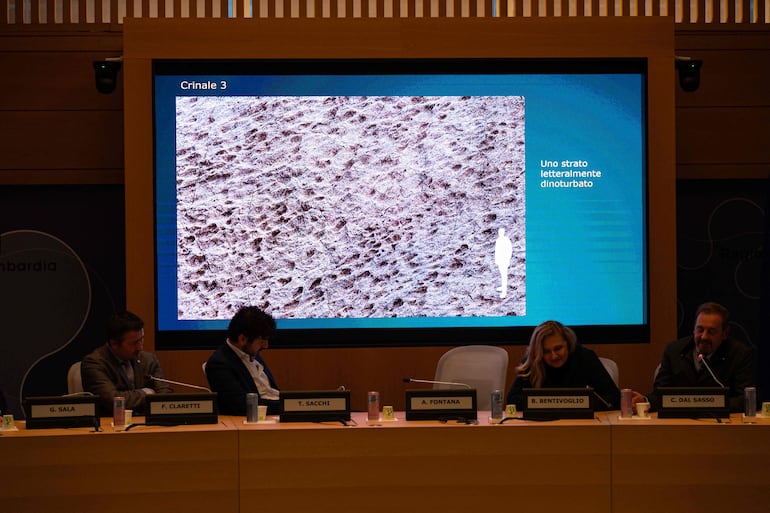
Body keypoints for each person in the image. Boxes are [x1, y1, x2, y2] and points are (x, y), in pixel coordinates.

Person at [647, 302, 755, 412]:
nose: (704, 337)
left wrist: (705, 404)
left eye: (711, 332)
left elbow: (746, 399)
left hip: (720, 424)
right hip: (680, 422)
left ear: (725, 334)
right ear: (694, 330)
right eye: (700, 330)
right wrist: (644, 401)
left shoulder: (739, 354)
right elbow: (659, 395)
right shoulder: (673, 351)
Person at [506, 320, 620, 411]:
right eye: (546, 352)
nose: (554, 356)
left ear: (567, 343)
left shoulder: (585, 357)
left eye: (558, 348)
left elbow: (614, 399)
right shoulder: (533, 361)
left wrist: (574, 404)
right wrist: (558, 403)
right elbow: (512, 401)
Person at [81, 311, 172, 415]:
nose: (140, 347)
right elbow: (114, 401)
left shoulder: (148, 359)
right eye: (134, 343)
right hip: (110, 425)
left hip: (146, 424)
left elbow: (165, 396)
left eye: (141, 340)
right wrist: (147, 393)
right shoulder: (94, 363)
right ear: (114, 343)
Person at [205, 306, 280, 415]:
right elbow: (242, 406)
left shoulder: (252, 353)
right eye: (262, 341)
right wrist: (286, 405)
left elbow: (271, 391)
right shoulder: (219, 364)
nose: (266, 345)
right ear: (242, 339)